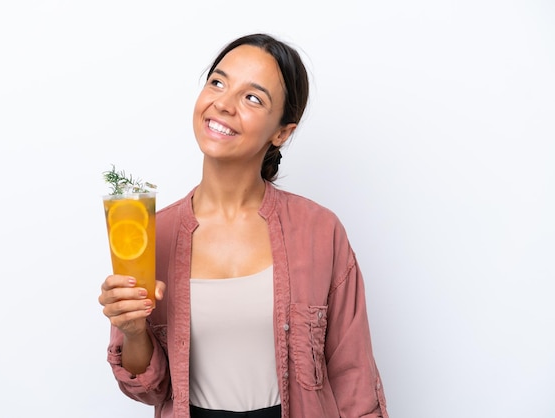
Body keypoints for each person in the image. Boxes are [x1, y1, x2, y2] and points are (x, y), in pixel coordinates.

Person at [98, 33, 389, 418]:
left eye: (253, 98)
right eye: (217, 82)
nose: (223, 104)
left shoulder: (320, 231)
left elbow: (355, 379)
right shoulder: (153, 234)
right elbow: (149, 389)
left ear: (282, 132)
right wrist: (134, 332)